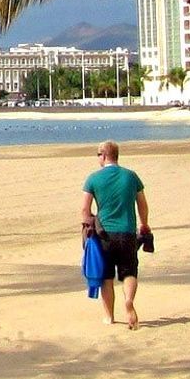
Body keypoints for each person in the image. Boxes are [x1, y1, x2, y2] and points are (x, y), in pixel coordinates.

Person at [80, 141, 150, 329]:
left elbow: (85, 210)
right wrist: (144, 225)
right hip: (127, 232)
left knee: (107, 277)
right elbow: (142, 205)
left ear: (103, 155)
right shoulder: (131, 176)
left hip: (104, 235)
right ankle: (128, 301)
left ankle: (109, 316)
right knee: (129, 272)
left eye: (97, 155)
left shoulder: (93, 179)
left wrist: (88, 227)